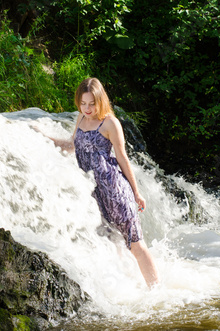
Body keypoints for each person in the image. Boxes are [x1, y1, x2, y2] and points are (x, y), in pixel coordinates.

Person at [47, 77, 159, 287]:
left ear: (100, 100)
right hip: (92, 193)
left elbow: (122, 157)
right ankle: (128, 289)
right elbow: (72, 145)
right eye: (83, 103)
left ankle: (157, 291)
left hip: (114, 190)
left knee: (135, 244)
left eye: (92, 103)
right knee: (112, 243)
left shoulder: (110, 123)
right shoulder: (81, 118)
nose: (87, 108)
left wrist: (136, 193)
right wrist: (44, 137)